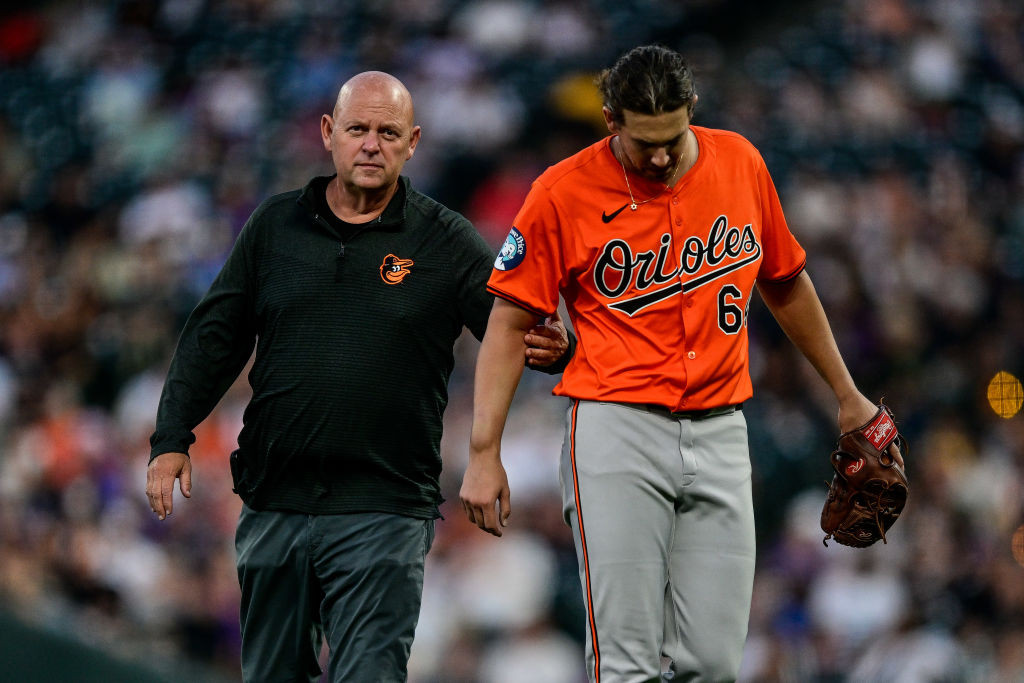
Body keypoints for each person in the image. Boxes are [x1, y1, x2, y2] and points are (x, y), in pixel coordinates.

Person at [459, 45, 880, 682]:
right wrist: (485, 449)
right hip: (615, 429)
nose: (659, 155)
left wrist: (847, 394)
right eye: (643, 141)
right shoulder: (561, 192)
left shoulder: (738, 162)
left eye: (671, 137)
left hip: (721, 428)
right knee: (624, 664)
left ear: (693, 112)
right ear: (610, 121)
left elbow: (786, 280)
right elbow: (508, 321)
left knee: (712, 664)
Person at [145, 71, 572, 683]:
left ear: (413, 142)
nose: (371, 144)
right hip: (275, 502)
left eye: (388, 132)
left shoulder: (444, 240)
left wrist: (554, 348)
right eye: (358, 129)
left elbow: (512, 328)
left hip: (386, 508)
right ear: (328, 133)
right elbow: (215, 336)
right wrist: (170, 438)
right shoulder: (273, 227)